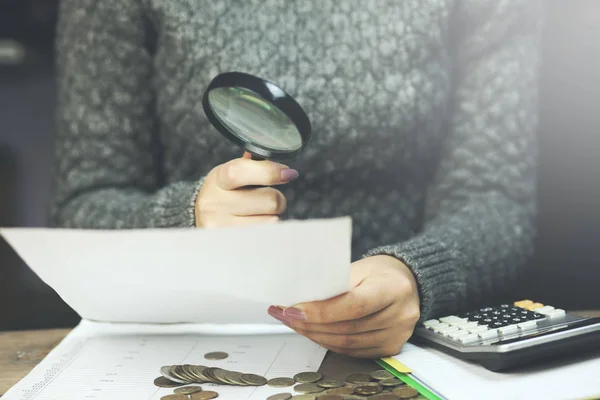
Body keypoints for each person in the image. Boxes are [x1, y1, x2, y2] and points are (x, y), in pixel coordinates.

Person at [50, 0, 541, 358]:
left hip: (408, 342)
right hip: (191, 343)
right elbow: (84, 202)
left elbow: (495, 197)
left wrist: (416, 273)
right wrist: (187, 217)